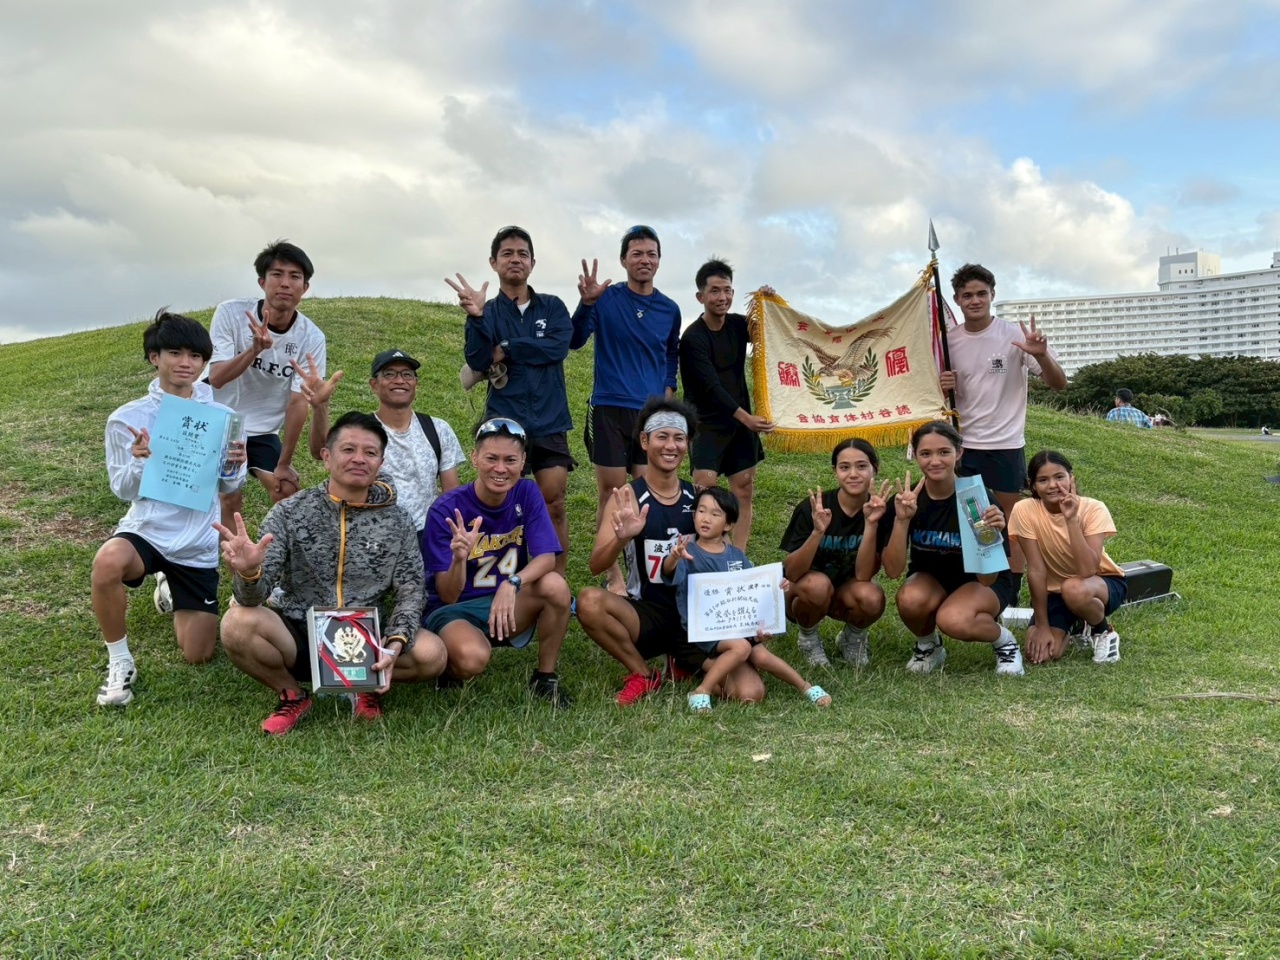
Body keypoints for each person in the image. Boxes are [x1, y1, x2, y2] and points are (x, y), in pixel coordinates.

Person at [217, 412, 447, 734]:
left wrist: (394, 644)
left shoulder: (398, 521)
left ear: (380, 462)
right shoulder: (291, 511)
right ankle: (293, 694)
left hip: (365, 640)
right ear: (326, 457)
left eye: (370, 452)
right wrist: (251, 572)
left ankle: (363, 686)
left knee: (432, 653)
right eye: (348, 450)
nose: (359, 459)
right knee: (237, 623)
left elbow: (411, 589)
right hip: (298, 632)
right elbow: (251, 597)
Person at [91, 310, 247, 707]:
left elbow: (231, 485)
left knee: (198, 654)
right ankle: (120, 662)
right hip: (147, 530)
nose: (186, 363)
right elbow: (122, 490)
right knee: (108, 562)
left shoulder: (224, 418)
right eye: (174, 353)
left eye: (195, 356)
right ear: (153, 358)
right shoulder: (127, 418)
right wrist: (142, 459)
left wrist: (234, 464)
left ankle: (169, 585)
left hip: (196, 543)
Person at [576, 397, 760, 705]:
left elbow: (724, 559)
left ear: (688, 444)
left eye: (679, 438)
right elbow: (596, 565)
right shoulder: (627, 498)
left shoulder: (700, 498)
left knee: (749, 694)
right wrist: (622, 538)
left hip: (699, 615)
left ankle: (684, 660)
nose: (670, 446)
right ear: (645, 441)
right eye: (662, 436)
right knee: (589, 601)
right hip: (647, 612)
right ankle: (643, 673)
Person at [446, 226, 575, 575]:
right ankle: (502, 577)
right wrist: (475, 318)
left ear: (533, 262)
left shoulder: (553, 306)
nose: (515, 259)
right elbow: (477, 359)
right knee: (503, 504)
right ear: (494, 262)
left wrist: (508, 348)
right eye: (507, 253)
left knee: (555, 502)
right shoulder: (486, 311)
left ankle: (556, 580)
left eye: (522, 253)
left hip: (549, 420)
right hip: (504, 422)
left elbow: (557, 347)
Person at [420, 417, 572, 707]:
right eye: (491, 458)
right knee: (471, 661)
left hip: (508, 601)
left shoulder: (526, 492)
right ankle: (450, 665)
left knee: (555, 585)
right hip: (457, 609)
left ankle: (545, 677)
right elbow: (448, 595)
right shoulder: (446, 509)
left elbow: (547, 557)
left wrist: (514, 583)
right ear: (475, 458)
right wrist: (459, 559)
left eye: (510, 460)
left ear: (523, 461)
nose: (501, 469)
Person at [572, 225, 681, 593]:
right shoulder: (606, 298)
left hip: (648, 416)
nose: (644, 260)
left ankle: (641, 573)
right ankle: (613, 574)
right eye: (637, 254)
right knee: (612, 493)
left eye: (651, 254)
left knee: (643, 492)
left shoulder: (669, 309)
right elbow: (575, 340)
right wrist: (586, 303)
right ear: (624, 260)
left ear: (659, 260)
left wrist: (668, 389)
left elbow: (670, 354)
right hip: (608, 407)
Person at [941, 263, 1067, 578]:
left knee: (1011, 518)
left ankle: (1009, 588)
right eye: (967, 295)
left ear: (992, 295)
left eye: (982, 293)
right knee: (972, 517)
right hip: (963, 445)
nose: (975, 300)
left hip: (1004, 443)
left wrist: (1040, 355)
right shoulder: (948, 341)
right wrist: (943, 387)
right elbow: (935, 396)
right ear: (956, 299)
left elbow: (1059, 383)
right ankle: (976, 578)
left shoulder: (1013, 335)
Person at [664, 487, 830, 712]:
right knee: (741, 647)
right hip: (705, 631)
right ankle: (702, 689)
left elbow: (752, 591)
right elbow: (668, 573)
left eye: (715, 514)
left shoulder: (736, 556)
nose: (705, 518)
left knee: (760, 654)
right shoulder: (688, 553)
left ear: (729, 524)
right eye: (701, 511)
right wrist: (673, 557)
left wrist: (775, 589)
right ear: (693, 516)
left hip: (736, 626)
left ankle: (805, 686)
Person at [882, 420, 1023, 676]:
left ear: (959, 453)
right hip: (932, 579)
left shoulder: (975, 497)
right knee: (909, 599)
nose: (935, 461)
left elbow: (987, 577)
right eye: (925, 453)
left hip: (982, 583)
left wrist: (990, 535)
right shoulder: (909, 499)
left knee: (953, 620)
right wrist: (901, 520)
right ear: (915, 456)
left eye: (944, 452)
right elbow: (892, 571)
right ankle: (929, 646)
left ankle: (1005, 642)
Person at [207, 240, 326, 530]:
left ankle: (281, 557)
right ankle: (234, 562)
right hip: (216, 421)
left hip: (261, 430)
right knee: (230, 497)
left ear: (305, 287)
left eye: (295, 276)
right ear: (262, 282)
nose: (285, 283)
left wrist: (284, 463)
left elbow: (298, 402)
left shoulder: (312, 337)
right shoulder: (231, 313)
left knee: (286, 491)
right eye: (277, 274)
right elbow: (217, 377)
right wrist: (253, 351)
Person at [303, 349, 465, 536]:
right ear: (374, 384)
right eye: (389, 374)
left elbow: (450, 493)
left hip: (424, 535)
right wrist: (319, 407)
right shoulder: (362, 431)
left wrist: (443, 536)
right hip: (367, 533)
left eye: (407, 375)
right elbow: (319, 451)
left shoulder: (438, 429)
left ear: (415, 383)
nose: (399, 381)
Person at [679, 259, 774, 549]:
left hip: (740, 424)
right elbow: (712, 388)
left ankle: (738, 555)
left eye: (728, 290)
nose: (723, 298)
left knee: (743, 489)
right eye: (715, 291)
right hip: (706, 423)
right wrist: (746, 418)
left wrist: (769, 304)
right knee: (704, 489)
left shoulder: (736, 324)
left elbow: (771, 334)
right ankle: (706, 552)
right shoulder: (692, 338)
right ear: (701, 297)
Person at [779, 438, 890, 668]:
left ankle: (852, 638)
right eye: (844, 467)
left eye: (861, 466)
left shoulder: (880, 510)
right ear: (835, 471)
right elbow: (791, 571)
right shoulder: (814, 508)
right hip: (804, 592)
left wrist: (871, 524)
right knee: (817, 585)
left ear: (874, 470)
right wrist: (817, 532)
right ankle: (808, 638)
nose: (853, 474)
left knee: (872, 596)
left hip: (846, 592)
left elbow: (863, 575)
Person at [1008, 451, 1126, 665]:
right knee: (1040, 655)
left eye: (1059, 477)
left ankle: (1103, 632)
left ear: (1071, 478)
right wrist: (1042, 625)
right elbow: (1035, 569)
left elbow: (1087, 570)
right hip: (1054, 592)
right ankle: (1077, 624)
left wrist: (1071, 519)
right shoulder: (1024, 510)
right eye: (1043, 480)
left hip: (1099, 584)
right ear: (1032, 485)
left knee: (1074, 588)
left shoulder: (1093, 508)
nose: (1053, 485)